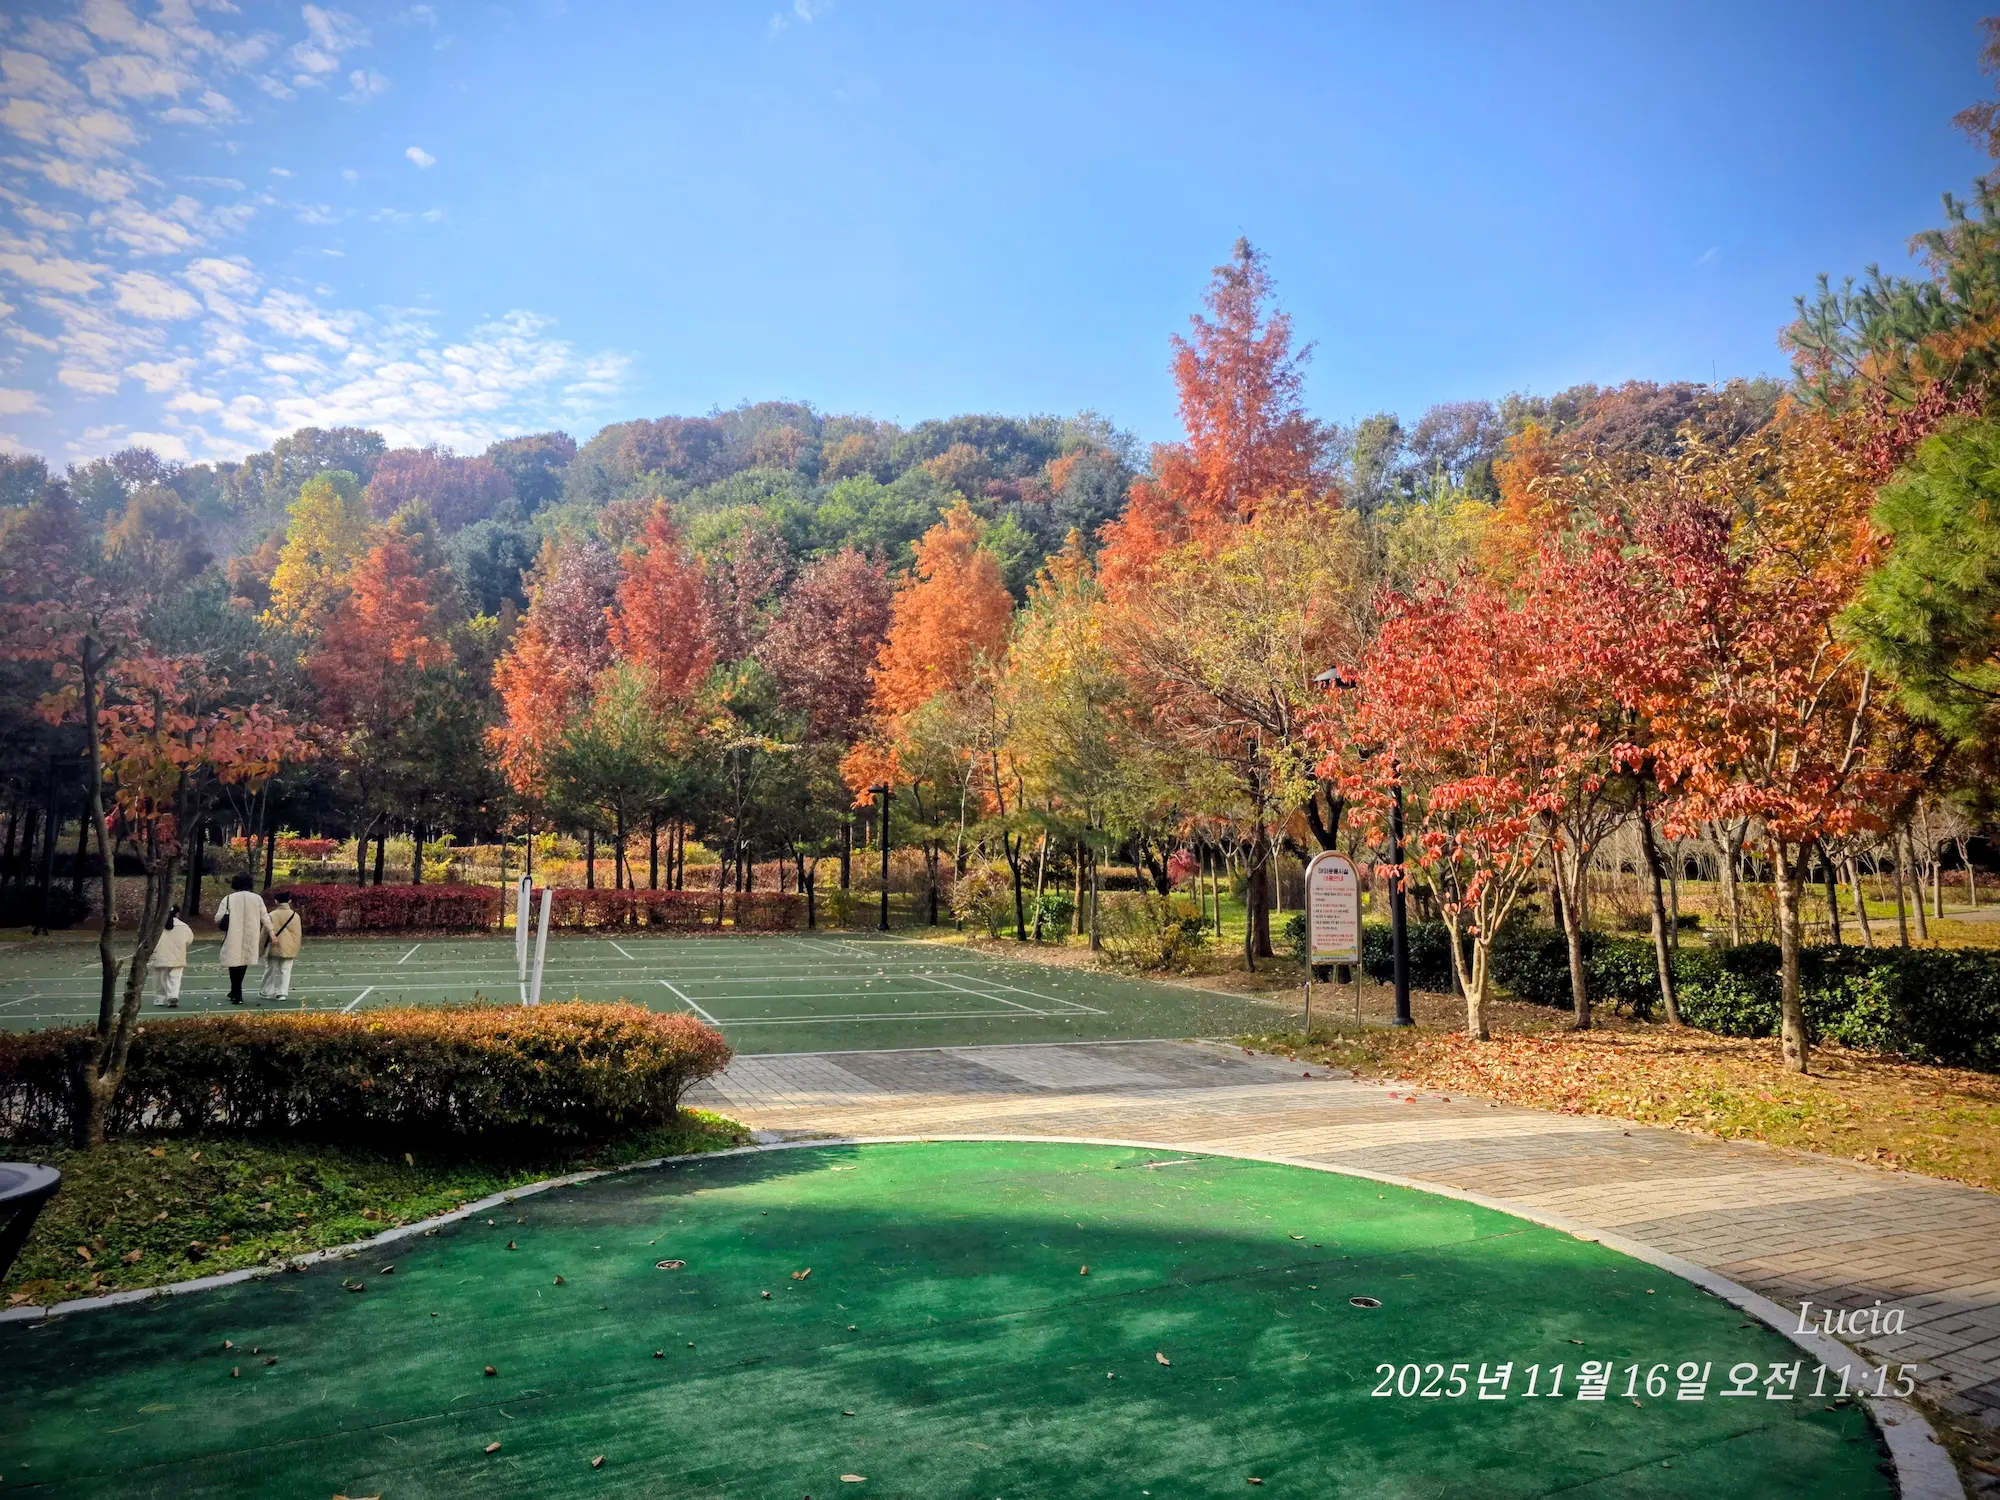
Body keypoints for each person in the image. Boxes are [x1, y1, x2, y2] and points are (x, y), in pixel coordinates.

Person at [215, 873, 270, 1005]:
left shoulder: (229, 898)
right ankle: (236, 991)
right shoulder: (257, 899)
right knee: (243, 962)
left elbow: (218, 918)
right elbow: (265, 917)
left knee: (233, 962)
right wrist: (272, 933)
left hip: (233, 934)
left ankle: (236, 991)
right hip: (251, 934)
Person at [261, 889, 303, 1002]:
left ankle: (266, 991)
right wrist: (296, 948)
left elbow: (264, 933)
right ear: (289, 901)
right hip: (289, 946)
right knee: (286, 970)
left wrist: (260, 949)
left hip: (274, 945)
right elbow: (297, 934)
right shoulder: (295, 916)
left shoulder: (272, 915)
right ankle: (282, 993)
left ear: (276, 901)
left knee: (270, 969)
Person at [149, 906, 194, 1008]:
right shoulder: (184, 926)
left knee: (159, 979)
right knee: (175, 977)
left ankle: (159, 998)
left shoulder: (156, 925)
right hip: (177, 956)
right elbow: (189, 940)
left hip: (159, 955)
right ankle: (173, 996)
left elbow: (150, 939)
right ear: (177, 914)